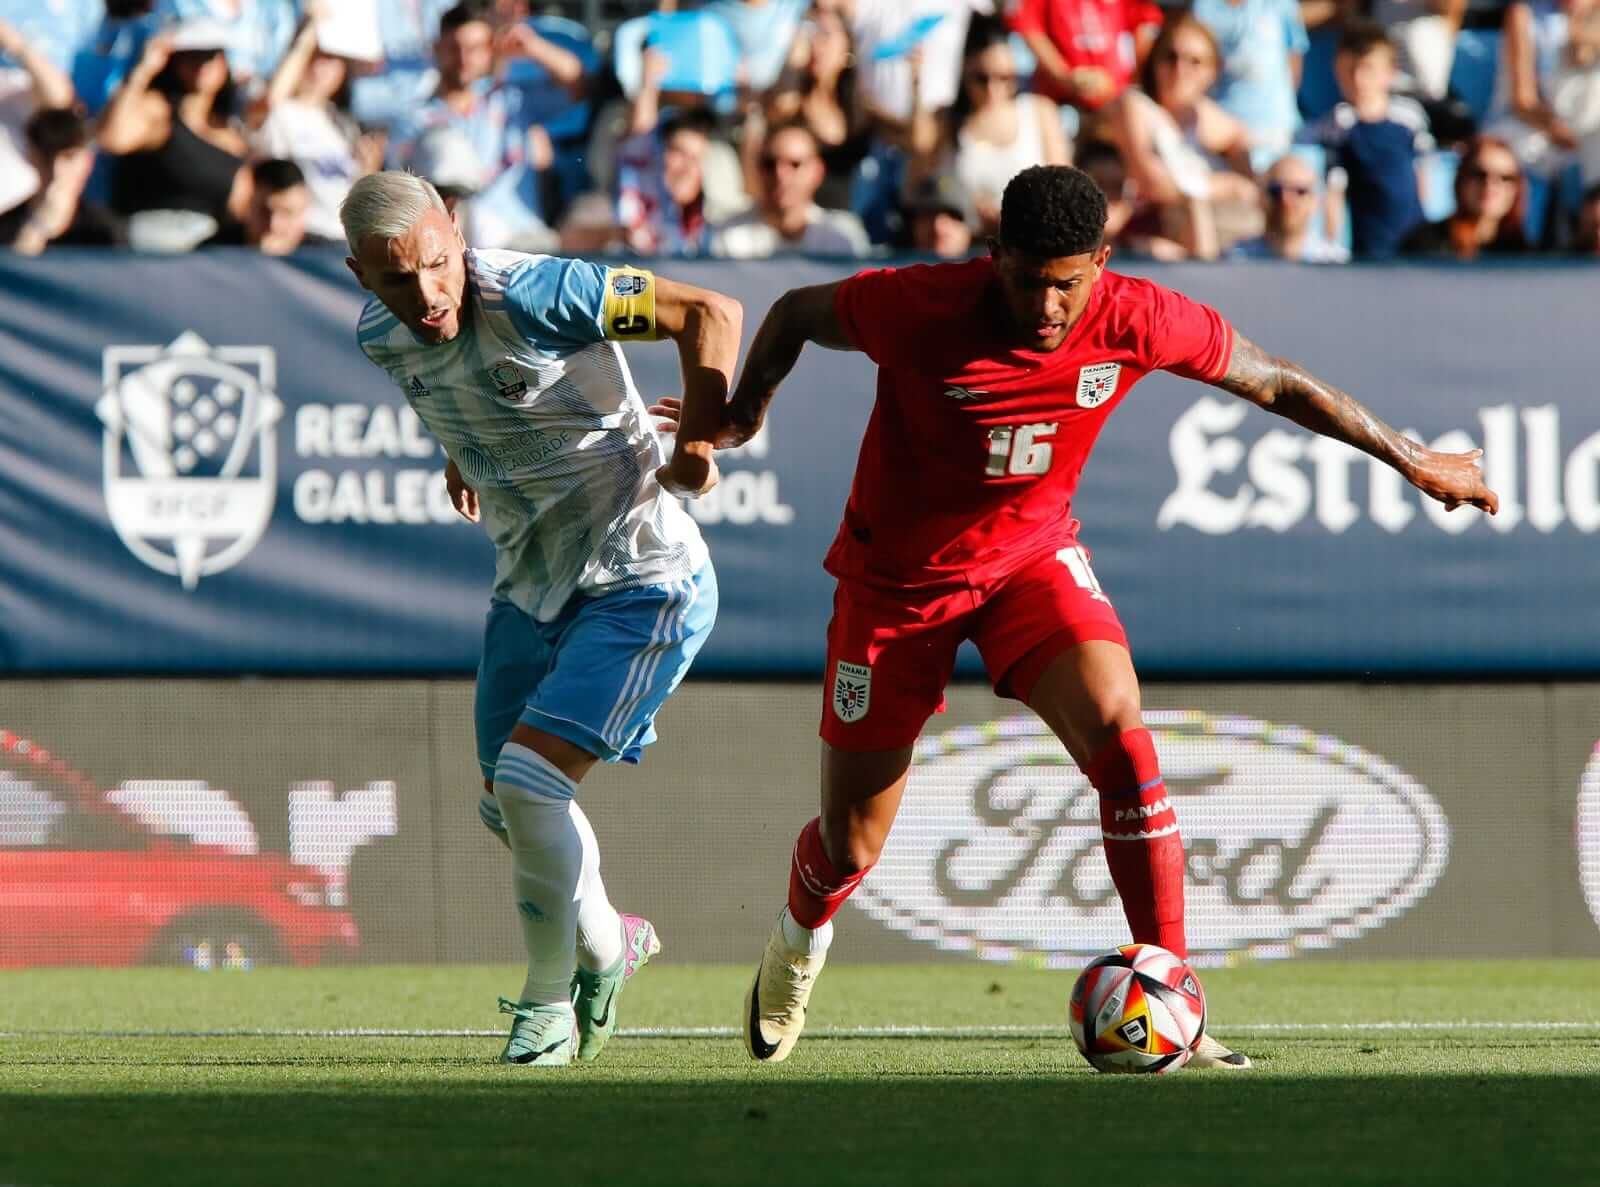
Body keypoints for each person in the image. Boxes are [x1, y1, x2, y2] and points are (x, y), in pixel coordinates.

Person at [651, 164, 1497, 1069]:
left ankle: (1177, 995)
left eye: (1068, 281)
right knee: (850, 842)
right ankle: (797, 942)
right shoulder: (918, 306)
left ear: (1101, 260)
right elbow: (792, 314)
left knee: (1128, 747)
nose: (1048, 304)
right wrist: (740, 413)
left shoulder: (1138, 315)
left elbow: (1277, 382)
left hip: (1030, 561)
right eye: (1027, 279)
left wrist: (1411, 456)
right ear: (995, 256)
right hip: (896, 587)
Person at [341, 170, 741, 1067]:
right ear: (361, 275)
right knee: (505, 805)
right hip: (529, 586)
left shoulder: (541, 293)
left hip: (644, 575)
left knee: (528, 783)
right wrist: (462, 453)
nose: (427, 295)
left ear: (457, 229)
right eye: (398, 281)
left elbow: (708, 312)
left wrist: (701, 442)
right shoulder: (380, 336)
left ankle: (543, 1005)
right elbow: (453, 391)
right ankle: (608, 942)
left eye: (438, 266)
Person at [1105, 14, 1258, 255]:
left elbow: (1250, 191)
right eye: (1170, 57)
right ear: (1155, 62)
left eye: (1194, 61)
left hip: (1216, 236)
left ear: (1212, 71)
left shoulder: (1214, 120)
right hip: (1147, 237)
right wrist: (1224, 185)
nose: (1180, 69)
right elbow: (1152, 182)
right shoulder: (1136, 106)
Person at [910, 15, 1072, 237]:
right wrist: (917, 88)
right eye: (981, 78)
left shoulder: (1039, 111)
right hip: (964, 246)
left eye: (1004, 78)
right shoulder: (945, 119)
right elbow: (917, 178)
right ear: (964, 73)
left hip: (1031, 244)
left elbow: (1064, 189)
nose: (992, 89)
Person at [100, 21, 251, 230]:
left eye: (210, 56)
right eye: (191, 56)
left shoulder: (230, 133)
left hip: (211, 252)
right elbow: (112, 138)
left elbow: (241, 206)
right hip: (150, 241)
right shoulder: (158, 110)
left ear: (224, 63)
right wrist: (142, 71)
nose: (201, 65)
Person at [1299, 22, 1432, 260]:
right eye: (1349, 70)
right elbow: (1335, 188)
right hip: (1370, 242)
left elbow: (1421, 173)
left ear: (1390, 72)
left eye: (1368, 69)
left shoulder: (1410, 118)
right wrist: (1331, 241)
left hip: (1415, 237)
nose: (1359, 79)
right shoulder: (1338, 124)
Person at [253, 8, 384, 245]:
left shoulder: (342, 124)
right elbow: (271, 101)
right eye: (315, 55)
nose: (321, 68)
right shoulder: (280, 112)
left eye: (333, 59)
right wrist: (309, 30)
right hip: (299, 239)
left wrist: (366, 173)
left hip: (341, 241)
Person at [710, 121, 871, 256]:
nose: (780, 174)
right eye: (769, 164)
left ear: (817, 172)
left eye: (795, 164)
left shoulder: (843, 236)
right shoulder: (728, 236)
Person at [1191, 0, 1310, 170]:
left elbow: (1294, 66)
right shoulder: (1203, 7)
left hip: (1280, 137)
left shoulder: (1282, 5)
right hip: (1224, 141)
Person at [0, 107, 126, 253]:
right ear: (31, 157)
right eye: (47, 157)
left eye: (69, 157)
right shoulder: (5, 223)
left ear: (87, 161)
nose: (57, 170)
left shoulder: (104, 232)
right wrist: (37, 228)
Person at [1011, 0, 1162, 119]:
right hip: (1061, 104)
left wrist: (1134, 82)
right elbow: (1030, 28)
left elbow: (1144, 28)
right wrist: (1065, 77)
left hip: (1115, 106)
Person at [1403, 135, 1532, 256]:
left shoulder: (1525, 255)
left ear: (1517, 189)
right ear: (1461, 181)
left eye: (1506, 178)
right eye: (1479, 174)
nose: (1491, 185)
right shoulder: (1425, 245)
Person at [1231, 152, 1350, 260]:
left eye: (1300, 191)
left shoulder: (1333, 263)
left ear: (1315, 200)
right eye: (1276, 190)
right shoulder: (1238, 258)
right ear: (1261, 196)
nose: (1286, 200)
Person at [201, 157, 310, 253]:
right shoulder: (214, 253)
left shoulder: (321, 255)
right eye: (264, 211)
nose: (273, 225)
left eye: (287, 213)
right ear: (247, 206)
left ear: (303, 212)